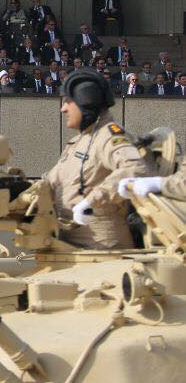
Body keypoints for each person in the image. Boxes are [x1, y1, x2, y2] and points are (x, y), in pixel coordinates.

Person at [38, 69, 151, 249]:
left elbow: (136, 169)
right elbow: (50, 182)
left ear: (86, 101)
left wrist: (93, 200)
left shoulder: (109, 136)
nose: (63, 108)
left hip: (102, 248)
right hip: (68, 242)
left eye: (68, 101)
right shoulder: (79, 140)